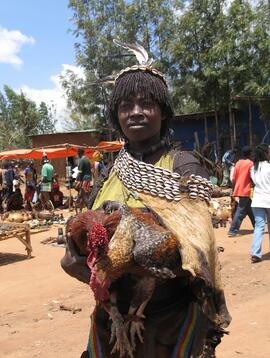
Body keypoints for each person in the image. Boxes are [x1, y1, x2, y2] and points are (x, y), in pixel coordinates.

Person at [61, 45, 230, 357]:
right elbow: (84, 240)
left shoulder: (182, 166)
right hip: (110, 318)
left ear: (162, 112)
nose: (135, 111)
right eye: (126, 105)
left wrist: (135, 265)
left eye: (146, 104)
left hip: (169, 318)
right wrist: (80, 261)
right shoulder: (111, 169)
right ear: (117, 115)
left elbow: (199, 253)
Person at [228, 146, 255, 237]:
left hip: (239, 188)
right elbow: (253, 177)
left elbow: (234, 178)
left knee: (250, 209)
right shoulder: (250, 163)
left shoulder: (238, 163)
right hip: (245, 190)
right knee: (240, 211)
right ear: (250, 154)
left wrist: (234, 188)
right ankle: (232, 230)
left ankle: (257, 227)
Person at [250, 144, 270, 263]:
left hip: (257, 200)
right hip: (268, 199)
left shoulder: (253, 169)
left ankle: (256, 253)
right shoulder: (269, 167)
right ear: (265, 153)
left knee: (259, 227)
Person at [74, 148, 92, 212]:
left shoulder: (82, 160)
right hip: (88, 179)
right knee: (81, 195)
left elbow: (80, 172)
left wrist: (76, 180)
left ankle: (89, 209)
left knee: (85, 195)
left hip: (84, 179)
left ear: (79, 153)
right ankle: (80, 211)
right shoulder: (87, 159)